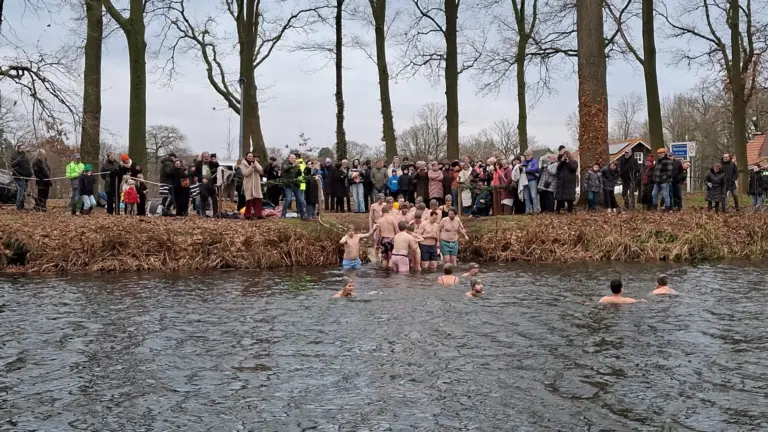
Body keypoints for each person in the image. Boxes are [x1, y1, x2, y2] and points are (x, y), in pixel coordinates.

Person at [280, 153, 307, 219]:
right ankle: (283, 214)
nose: (294, 160)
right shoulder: (285, 163)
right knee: (288, 199)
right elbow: (285, 169)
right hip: (288, 185)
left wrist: (299, 168)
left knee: (300, 200)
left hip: (296, 184)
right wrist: (293, 165)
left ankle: (302, 214)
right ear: (289, 158)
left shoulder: (296, 165)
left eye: (295, 158)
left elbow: (299, 174)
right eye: (292, 158)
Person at [239, 152, 264, 219]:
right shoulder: (243, 164)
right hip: (248, 183)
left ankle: (258, 214)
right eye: (249, 156)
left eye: (251, 156)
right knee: (249, 199)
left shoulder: (255, 162)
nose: (250, 158)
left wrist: (255, 166)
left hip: (256, 183)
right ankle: (248, 214)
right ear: (246, 156)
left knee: (258, 198)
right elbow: (245, 174)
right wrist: (251, 168)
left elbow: (261, 171)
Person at [10, 144, 33, 211]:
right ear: (19, 148)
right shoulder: (15, 156)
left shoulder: (25, 156)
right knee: (21, 192)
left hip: (25, 177)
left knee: (24, 192)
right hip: (19, 177)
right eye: (23, 148)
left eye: (24, 148)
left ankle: (22, 206)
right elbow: (13, 166)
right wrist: (23, 174)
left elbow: (27, 165)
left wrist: (29, 173)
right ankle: (18, 207)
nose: (24, 149)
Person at [521, 149, 540, 214]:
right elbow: (521, 169)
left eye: (528, 155)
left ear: (531, 155)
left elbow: (536, 168)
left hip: (532, 180)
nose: (527, 157)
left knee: (533, 196)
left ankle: (535, 209)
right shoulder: (523, 162)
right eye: (526, 156)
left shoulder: (534, 161)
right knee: (526, 196)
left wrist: (527, 170)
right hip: (524, 180)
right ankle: (527, 210)